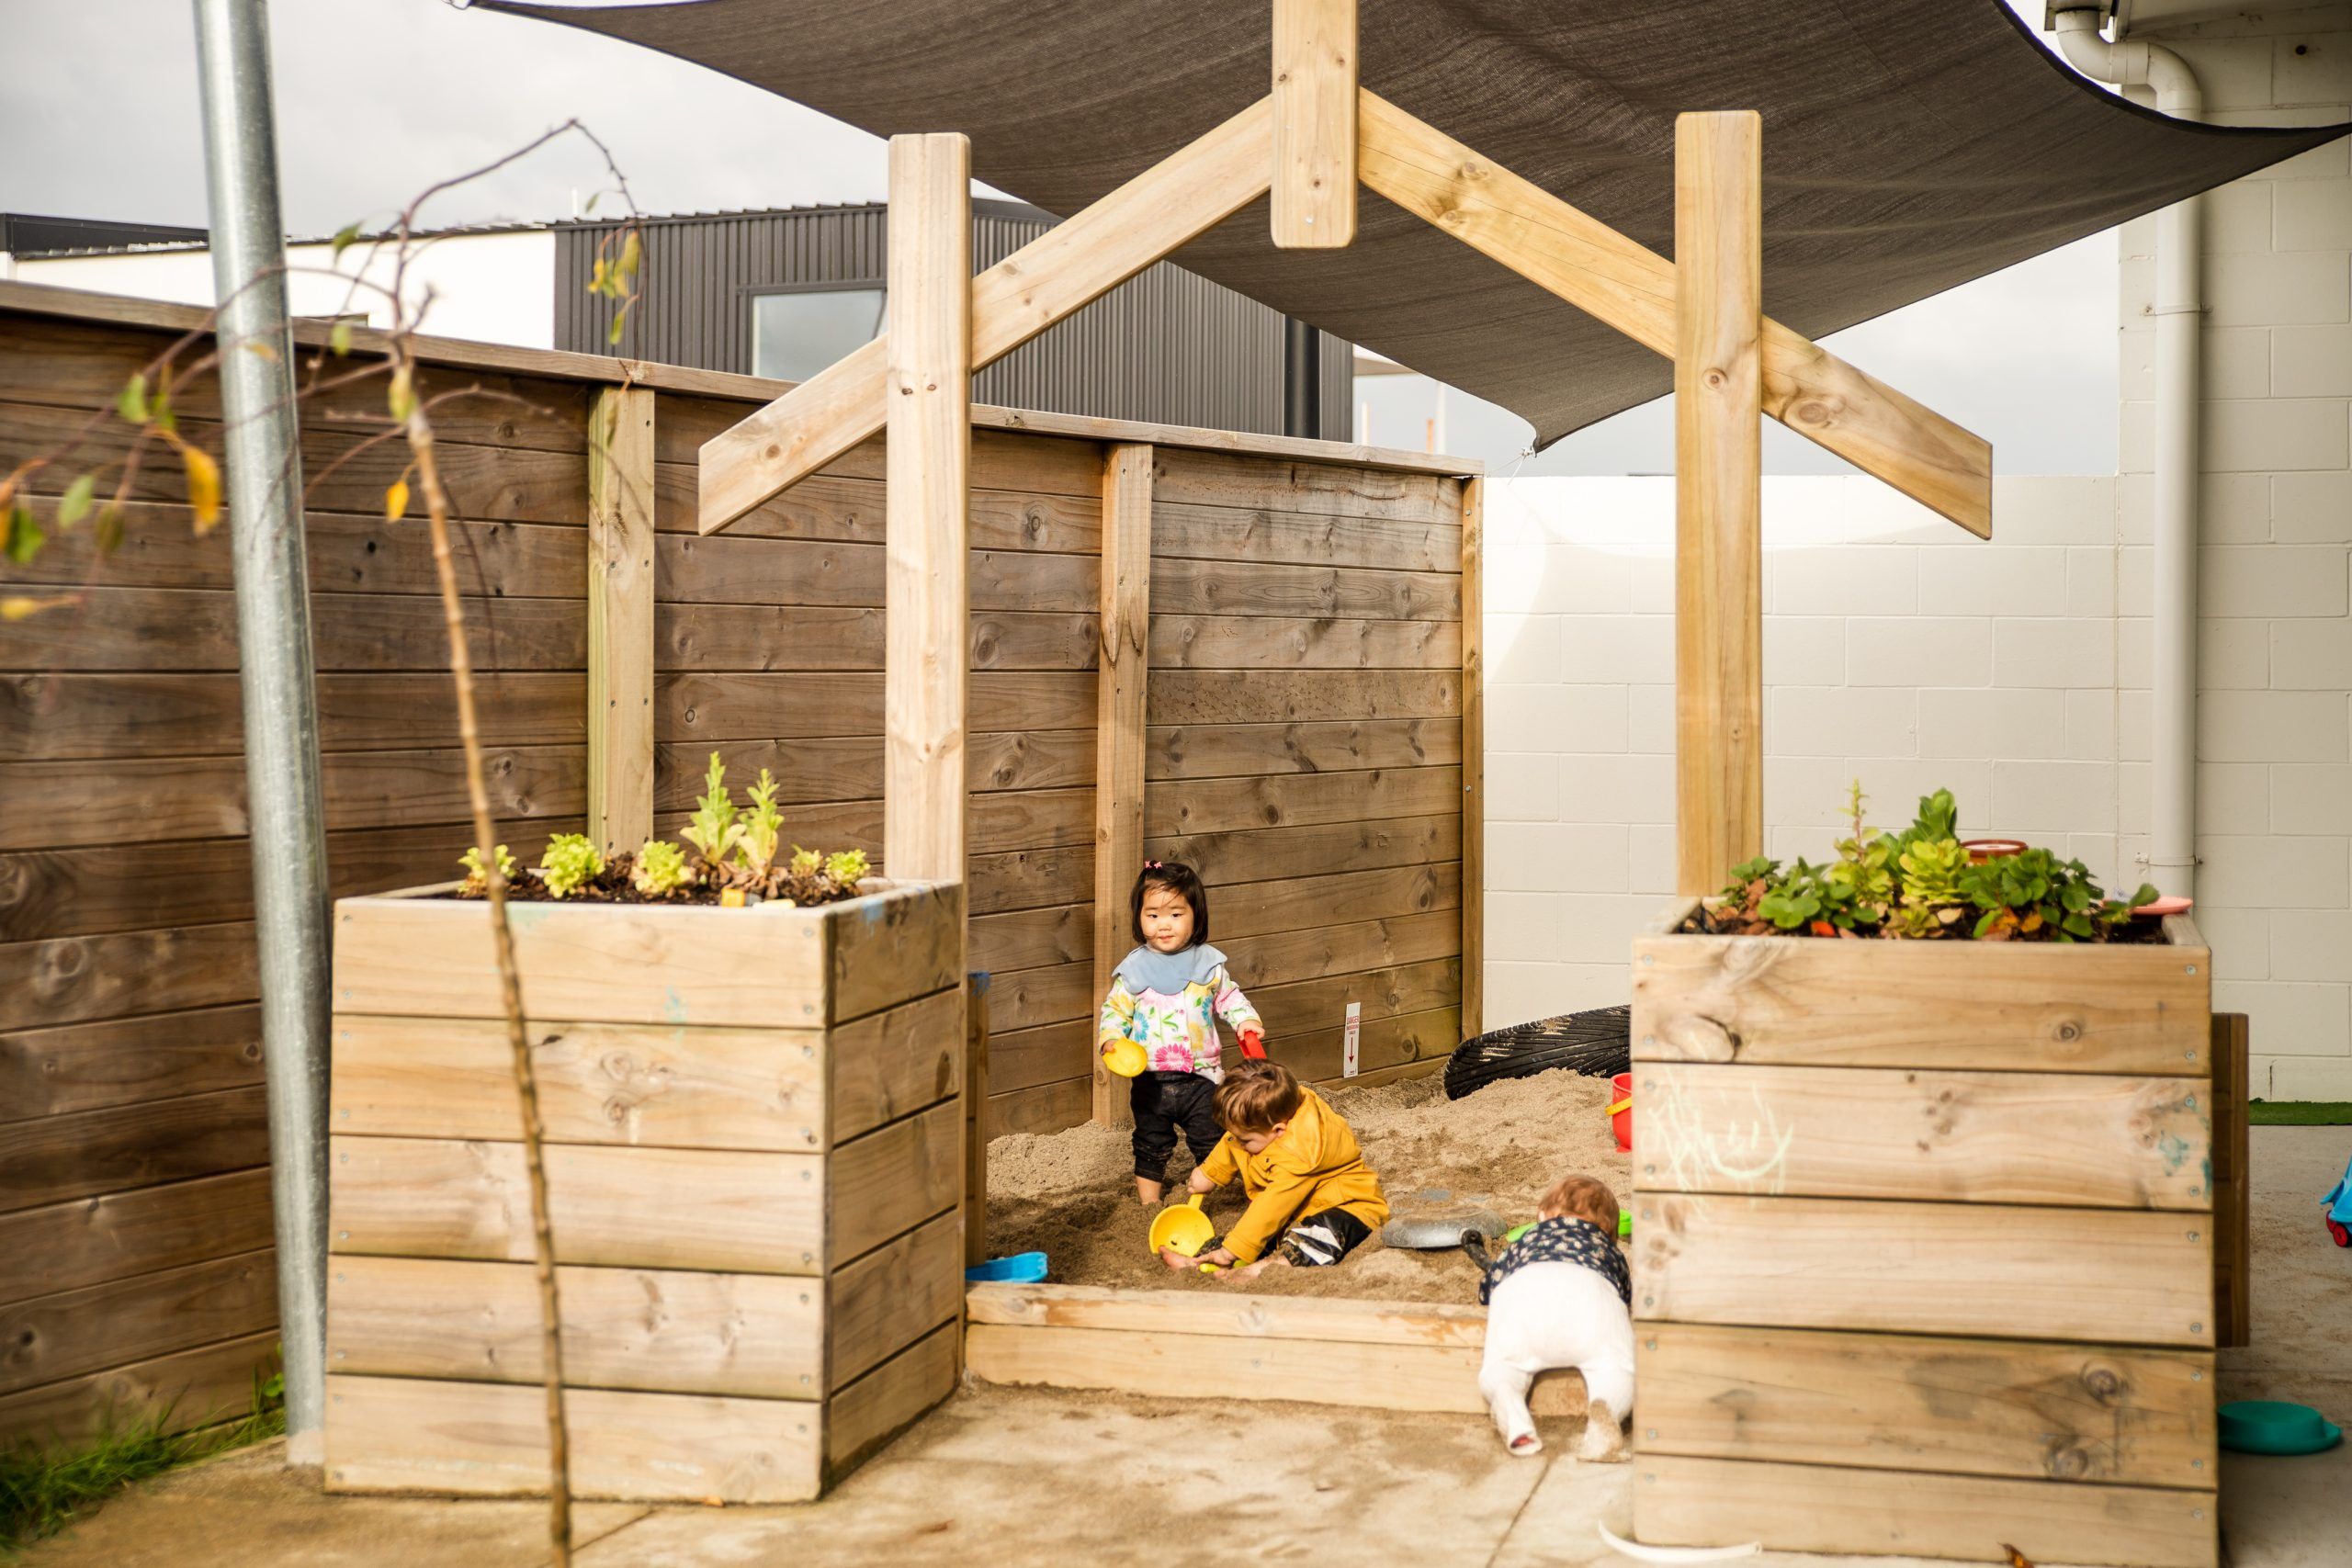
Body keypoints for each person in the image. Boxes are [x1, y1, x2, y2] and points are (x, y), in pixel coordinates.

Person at [1097, 860, 1265, 1204]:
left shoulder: (1207, 964)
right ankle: (1149, 1204)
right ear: (1139, 917)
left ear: (1196, 915)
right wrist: (1111, 1039)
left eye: (1176, 914)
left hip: (1201, 1079)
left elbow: (1229, 997)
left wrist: (1245, 1020)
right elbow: (1114, 1011)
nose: (1164, 925)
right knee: (1150, 1141)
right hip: (1151, 1080)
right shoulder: (1133, 970)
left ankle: (1221, 1196)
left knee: (1210, 1139)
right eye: (1153, 915)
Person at [1163, 1058, 1389, 1283]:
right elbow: (1234, 1139)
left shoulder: (1300, 1153)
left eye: (1246, 1140)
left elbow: (1270, 1206)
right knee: (1250, 1237)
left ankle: (1263, 1269)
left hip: (1351, 1209)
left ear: (1279, 1130)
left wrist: (1232, 1251)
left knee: (1314, 1239)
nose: (1240, 1144)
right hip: (1297, 1212)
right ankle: (1198, 1263)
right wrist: (1210, 1172)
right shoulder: (1271, 1114)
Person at [1476, 1172, 1634, 1460]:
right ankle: (1605, 1417)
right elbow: (1623, 1295)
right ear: (1610, 1233)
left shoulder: (1523, 1242)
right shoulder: (1607, 1248)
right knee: (1617, 1368)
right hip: (1588, 1297)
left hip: (1524, 1298)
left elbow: (1490, 1286)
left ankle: (1514, 1416)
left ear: (1540, 1215)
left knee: (1501, 1369)